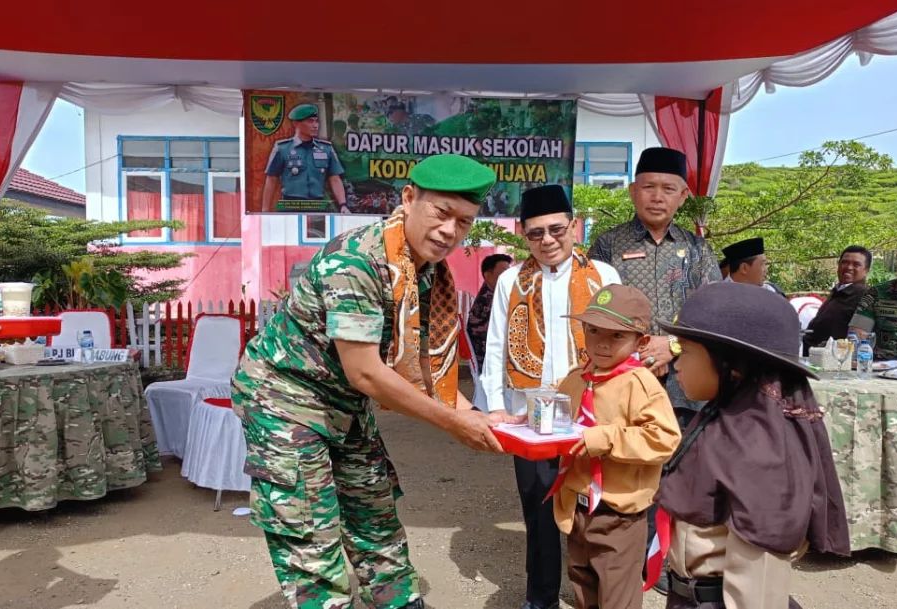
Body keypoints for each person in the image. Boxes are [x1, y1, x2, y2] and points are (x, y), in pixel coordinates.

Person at [234, 154, 518, 609]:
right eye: (442, 213)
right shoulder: (356, 262)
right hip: (285, 395)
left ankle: (398, 601)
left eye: (464, 222)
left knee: (373, 506)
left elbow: (425, 361)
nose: (450, 230)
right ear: (408, 198)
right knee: (308, 525)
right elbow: (365, 370)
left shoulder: (423, 268)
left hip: (344, 401)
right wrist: (452, 423)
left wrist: (479, 416)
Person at [656, 282, 850, 608]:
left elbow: (758, 586)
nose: (676, 364)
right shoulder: (724, 418)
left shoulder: (761, 454)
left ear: (731, 366)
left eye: (686, 351)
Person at [482, 184, 620, 609]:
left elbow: (621, 342)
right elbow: (495, 344)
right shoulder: (511, 280)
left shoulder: (603, 276)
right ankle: (540, 597)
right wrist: (496, 407)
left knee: (593, 507)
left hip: (591, 411)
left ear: (574, 226)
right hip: (531, 415)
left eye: (556, 229)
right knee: (539, 508)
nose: (547, 240)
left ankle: (593, 594)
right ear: (524, 235)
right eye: (536, 233)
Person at [550, 284, 681, 609]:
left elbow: (664, 439)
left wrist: (605, 439)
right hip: (578, 509)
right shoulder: (577, 378)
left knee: (618, 597)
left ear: (642, 342)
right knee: (583, 587)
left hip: (619, 516)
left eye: (617, 335)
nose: (602, 343)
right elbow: (556, 416)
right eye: (593, 331)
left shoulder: (641, 384)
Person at [588, 147, 720, 427]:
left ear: (683, 196)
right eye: (649, 187)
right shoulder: (607, 245)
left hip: (685, 388)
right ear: (633, 191)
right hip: (622, 381)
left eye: (668, 189)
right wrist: (641, 351)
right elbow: (594, 313)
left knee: (684, 453)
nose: (657, 197)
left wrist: (672, 345)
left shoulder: (697, 249)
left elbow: (716, 313)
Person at [262, 103, 350, 213]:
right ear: (296, 123)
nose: (315, 125)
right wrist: (265, 210)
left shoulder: (326, 149)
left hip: (318, 207)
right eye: (310, 121)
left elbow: (335, 178)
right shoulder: (283, 148)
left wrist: (343, 205)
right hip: (290, 207)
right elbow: (271, 179)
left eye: (316, 121)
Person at [803, 245, 871, 354]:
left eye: (856, 264)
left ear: (866, 270)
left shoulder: (865, 297)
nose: (849, 267)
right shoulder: (838, 291)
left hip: (833, 358)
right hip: (812, 355)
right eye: (844, 262)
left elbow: (859, 337)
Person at [466, 253, 513, 372]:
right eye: (504, 272)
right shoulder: (486, 302)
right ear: (488, 275)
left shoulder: (497, 296)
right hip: (491, 366)